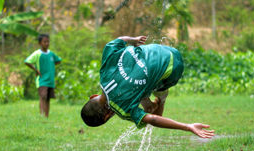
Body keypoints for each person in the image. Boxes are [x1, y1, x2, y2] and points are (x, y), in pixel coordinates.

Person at [81, 35, 215, 138]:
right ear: (93, 96)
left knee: (147, 109)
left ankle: (160, 99)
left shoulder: (122, 109)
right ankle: (148, 101)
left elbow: (154, 119)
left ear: (106, 117)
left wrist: (188, 126)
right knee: (133, 90)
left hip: (173, 69)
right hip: (164, 50)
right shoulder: (104, 71)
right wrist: (134, 40)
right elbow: (119, 39)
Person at [25, 34, 62, 117]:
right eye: (44, 42)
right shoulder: (37, 54)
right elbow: (27, 61)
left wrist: (50, 66)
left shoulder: (51, 54)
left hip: (50, 80)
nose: (47, 43)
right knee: (43, 96)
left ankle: (46, 115)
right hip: (41, 79)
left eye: (48, 41)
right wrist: (36, 70)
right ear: (40, 43)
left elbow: (58, 60)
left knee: (48, 98)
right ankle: (41, 114)